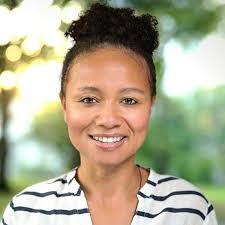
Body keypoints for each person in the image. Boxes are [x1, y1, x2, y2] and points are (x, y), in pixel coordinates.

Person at [1, 3, 218, 225]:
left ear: (150, 106)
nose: (108, 120)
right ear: (65, 106)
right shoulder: (25, 212)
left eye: (129, 101)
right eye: (89, 100)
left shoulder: (189, 210)